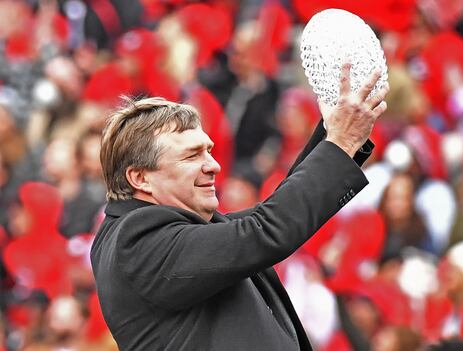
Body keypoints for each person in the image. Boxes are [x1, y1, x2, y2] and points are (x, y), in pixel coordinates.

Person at [91, 63, 389, 350]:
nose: (214, 165)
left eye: (208, 150)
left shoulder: (157, 235)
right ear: (140, 178)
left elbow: (267, 218)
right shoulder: (137, 240)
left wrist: (335, 134)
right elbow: (265, 230)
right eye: (192, 156)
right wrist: (338, 145)